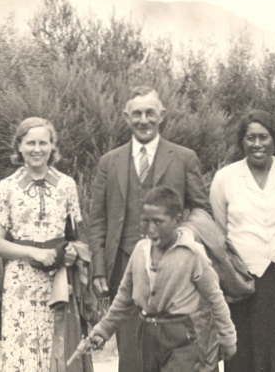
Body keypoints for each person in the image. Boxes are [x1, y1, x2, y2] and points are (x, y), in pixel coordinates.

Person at [88, 86, 211, 372]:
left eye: (150, 113)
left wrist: (183, 240)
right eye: (137, 114)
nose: (144, 120)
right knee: (132, 356)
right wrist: (98, 269)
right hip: (125, 269)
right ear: (126, 116)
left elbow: (201, 210)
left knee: (177, 351)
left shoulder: (183, 158)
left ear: (162, 115)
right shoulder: (110, 162)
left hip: (175, 272)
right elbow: (98, 221)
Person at [87, 186, 237, 371]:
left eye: (158, 222)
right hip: (146, 336)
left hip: (182, 339)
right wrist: (103, 330)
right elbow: (124, 300)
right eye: (145, 221)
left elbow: (215, 299)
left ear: (177, 220)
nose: (150, 229)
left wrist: (228, 337)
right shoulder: (140, 251)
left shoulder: (193, 254)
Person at [209, 109, 275, 372]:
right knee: (246, 354)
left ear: (274, 139)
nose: (257, 144)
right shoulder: (225, 179)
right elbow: (220, 235)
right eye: (250, 137)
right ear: (242, 141)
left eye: (263, 137)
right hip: (244, 282)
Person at [0, 117, 93, 371]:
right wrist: (34, 251)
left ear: (52, 146)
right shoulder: (7, 188)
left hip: (58, 282)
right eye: (30, 143)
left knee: (58, 354)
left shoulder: (67, 185)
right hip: (20, 284)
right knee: (22, 356)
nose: (37, 149)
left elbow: (77, 238)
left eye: (43, 143)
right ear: (19, 146)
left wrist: (71, 253)